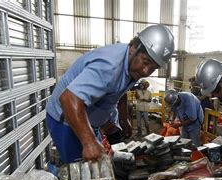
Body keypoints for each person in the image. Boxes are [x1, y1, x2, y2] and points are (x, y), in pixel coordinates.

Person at [46, 24, 174, 163]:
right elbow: (69, 99)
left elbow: (120, 92)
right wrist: (89, 142)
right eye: (145, 62)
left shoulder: (131, 67)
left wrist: (123, 120)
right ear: (134, 47)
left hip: (90, 121)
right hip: (68, 120)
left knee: (100, 163)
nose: (145, 71)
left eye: (153, 68)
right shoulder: (110, 65)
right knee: (82, 173)